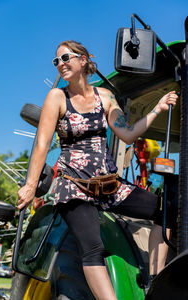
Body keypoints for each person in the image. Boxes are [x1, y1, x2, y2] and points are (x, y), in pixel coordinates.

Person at [18, 40, 178, 300]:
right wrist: (29, 184)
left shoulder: (105, 97)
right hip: (74, 187)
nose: (60, 64)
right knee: (93, 249)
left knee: (165, 210)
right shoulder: (57, 97)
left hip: (109, 185)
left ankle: (154, 284)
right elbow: (43, 144)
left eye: (65, 57)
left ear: (83, 60)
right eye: (56, 61)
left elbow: (126, 135)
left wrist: (157, 109)